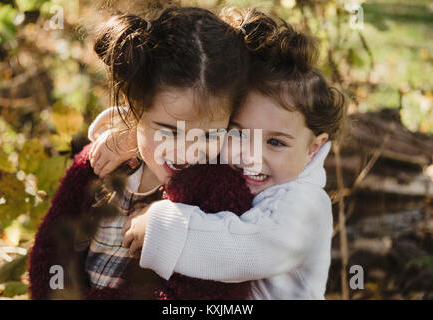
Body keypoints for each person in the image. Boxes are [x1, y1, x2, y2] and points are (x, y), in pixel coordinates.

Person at [89, 8, 348, 299]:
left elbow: (247, 251)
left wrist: (165, 227)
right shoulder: (234, 160)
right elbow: (182, 119)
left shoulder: (304, 205)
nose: (250, 155)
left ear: (313, 147)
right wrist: (131, 135)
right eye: (237, 133)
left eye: (275, 143)